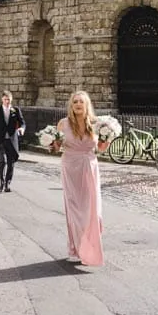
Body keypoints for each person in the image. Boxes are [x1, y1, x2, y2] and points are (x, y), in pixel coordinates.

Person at [56, 90, 106, 267]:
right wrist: (51, 144)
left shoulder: (96, 123)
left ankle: (89, 247)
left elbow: (101, 148)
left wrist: (107, 140)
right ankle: (75, 249)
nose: (78, 104)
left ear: (87, 105)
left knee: (92, 210)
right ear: (71, 105)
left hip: (90, 167)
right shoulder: (63, 124)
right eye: (75, 102)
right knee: (74, 209)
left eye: (81, 102)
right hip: (70, 167)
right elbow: (56, 147)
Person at [0, 90, 25, 192]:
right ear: (2, 99)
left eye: (8, 99)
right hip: (1, 140)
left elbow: (22, 122)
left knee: (11, 162)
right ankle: (1, 182)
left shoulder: (15, 110)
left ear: (11, 99)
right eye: (5, 99)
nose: (7, 101)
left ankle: (7, 183)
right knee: (2, 161)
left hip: (11, 140)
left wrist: (22, 128)